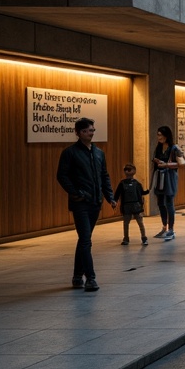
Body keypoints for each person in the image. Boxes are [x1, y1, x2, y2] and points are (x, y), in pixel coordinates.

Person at [56, 118, 116, 291]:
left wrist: (109, 196)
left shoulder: (99, 153)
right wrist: (76, 193)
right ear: (79, 132)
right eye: (89, 130)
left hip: (95, 203)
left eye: (92, 130)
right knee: (86, 241)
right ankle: (90, 278)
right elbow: (62, 176)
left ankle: (76, 276)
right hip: (80, 203)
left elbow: (104, 175)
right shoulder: (70, 153)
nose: (92, 132)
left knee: (84, 239)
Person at [151, 125, 184, 240]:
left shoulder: (174, 148)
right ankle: (164, 227)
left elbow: (182, 163)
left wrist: (167, 164)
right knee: (160, 203)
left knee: (169, 202)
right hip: (160, 176)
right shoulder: (158, 148)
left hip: (169, 177)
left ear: (166, 135)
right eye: (157, 134)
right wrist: (157, 162)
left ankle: (171, 229)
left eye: (160, 134)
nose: (158, 137)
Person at [113, 164, 149, 245]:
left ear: (134, 171)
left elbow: (141, 192)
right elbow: (117, 194)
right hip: (126, 206)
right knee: (126, 223)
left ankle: (144, 237)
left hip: (136, 205)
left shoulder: (136, 183)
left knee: (140, 222)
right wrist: (114, 201)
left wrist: (147, 191)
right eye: (126, 170)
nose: (128, 171)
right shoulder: (122, 183)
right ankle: (126, 238)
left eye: (130, 169)